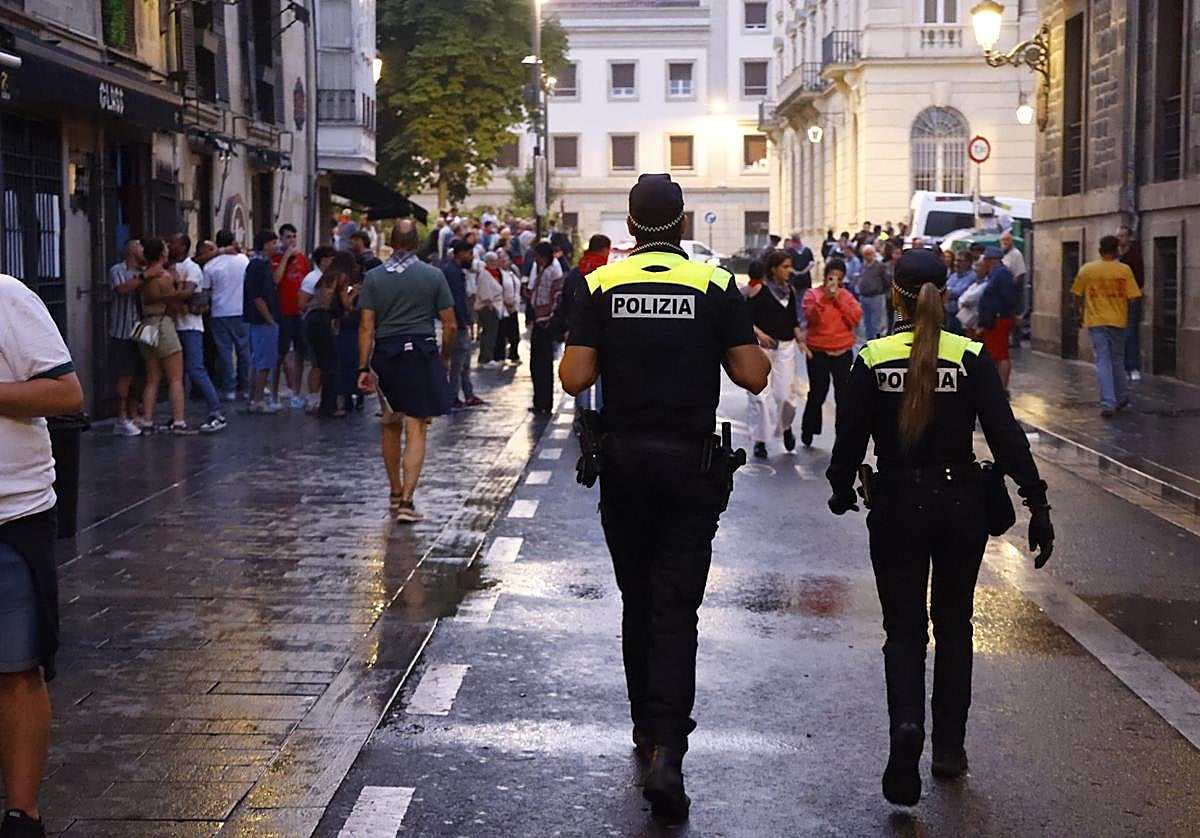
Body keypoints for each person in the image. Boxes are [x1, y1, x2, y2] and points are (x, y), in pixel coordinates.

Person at [558, 173, 770, 824]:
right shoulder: (714, 284)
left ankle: (645, 730)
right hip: (689, 468)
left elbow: (574, 377)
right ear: (682, 225)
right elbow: (754, 376)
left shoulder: (599, 284)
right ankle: (670, 750)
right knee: (677, 608)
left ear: (629, 225)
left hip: (624, 464)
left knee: (637, 600)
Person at [826, 248, 1054, 809]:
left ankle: (906, 726)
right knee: (954, 625)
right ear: (945, 295)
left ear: (895, 295)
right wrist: (1037, 503)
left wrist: (840, 487)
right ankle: (949, 748)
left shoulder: (872, 357)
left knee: (904, 630)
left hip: (897, 503)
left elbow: (850, 438)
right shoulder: (970, 355)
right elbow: (1005, 436)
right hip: (961, 503)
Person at [0, 274, 85, 838]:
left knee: (15, 668)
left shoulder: (6, 297)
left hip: (10, 516)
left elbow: (65, 394)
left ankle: (22, 816)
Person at [357, 220, 457, 523]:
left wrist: (363, 366)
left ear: (390, 241)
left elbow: (366, 326)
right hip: (421, 354)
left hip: (387, 355)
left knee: (390, 425)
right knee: (417, 427)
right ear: (416, 242)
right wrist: (445, 356)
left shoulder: (374, 278)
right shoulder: (433, 275)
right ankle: (407, 502)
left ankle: (394, 491)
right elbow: (450, 324)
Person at [1072, 235, 1142, 417]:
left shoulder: (1088, 270)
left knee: (1103, 361)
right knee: (1117, 359)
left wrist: (1078, 313)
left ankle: (1108, 402)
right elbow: (1133, 296)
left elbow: (1077, 294)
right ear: (1117, 250)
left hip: (1096, 321)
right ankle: (1121, 395)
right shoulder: (1124, 270)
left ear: (1100, 250)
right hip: (1118, 320)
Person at [746, 250, 806, 458]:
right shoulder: (759, 290)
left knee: (785, 395)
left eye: (790, 266)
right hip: (762, 348)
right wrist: (760, 334)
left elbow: (793, 320)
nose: (790, 270)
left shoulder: (790, 291)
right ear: (773, 269)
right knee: (760, 395)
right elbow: (745, 318)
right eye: (785, 267)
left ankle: (785, 427)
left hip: (785, 347)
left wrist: (801, 341)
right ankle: (760, 440)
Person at [800, 256, 861, 447]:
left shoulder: (847, 297)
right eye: (832, 277)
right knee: (818, 392)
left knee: (843, 395)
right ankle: (808, 429)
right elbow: (811, 319)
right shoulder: (812, 295)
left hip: (842, 351)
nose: (835, 282)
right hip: (818, 351)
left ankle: (842, 434)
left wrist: (839, 301)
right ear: (825, 276)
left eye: (839, 279)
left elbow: (855, 319)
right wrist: (824, 299)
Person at [136, 238, 195, 434]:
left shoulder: (144, 276)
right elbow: (176, 304)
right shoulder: (165, 276)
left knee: (152, 377)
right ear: (162, 254)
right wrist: (180, 286)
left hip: (145, 325)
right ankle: (178, 421)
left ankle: (147, 421)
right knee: (175, 377)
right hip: (162, 324)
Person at [169, 234, 226, 433]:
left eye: (174, 243)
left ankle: (216, 412)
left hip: (190, 326)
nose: (170, 246)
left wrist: (166, 294)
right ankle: (178, 415)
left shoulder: (191, 268)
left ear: (183, 246)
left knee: (195, 369)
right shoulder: (172, 267)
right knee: (178, 374)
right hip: (176, 325)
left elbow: (188, 292)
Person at [556, 235, 611, 412]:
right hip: (603, 332)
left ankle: (582, 413)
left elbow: (565, 299)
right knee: (603, 374)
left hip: (577, 331)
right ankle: (601, 410)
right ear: (605, 250)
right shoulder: (606, 273)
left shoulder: (576, 272)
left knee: (580, 373)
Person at [303, 251, 355, 417]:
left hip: (312, 319)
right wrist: (353, 294)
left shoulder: (326, 276)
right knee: (332, 364)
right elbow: (345, 304)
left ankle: (325, 404)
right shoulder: (341, 277)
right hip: (323, 320)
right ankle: (329, 406)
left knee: (322, 363)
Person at [204, 230, 251, 401]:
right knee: (244, 350)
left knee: (224, 352)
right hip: (241, 310)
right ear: (232, 241)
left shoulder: (210, 265)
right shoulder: (243, 260)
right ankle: (245, 386)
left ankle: (229, 388)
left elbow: (206, 290)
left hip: (220, 311)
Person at [270, 223, 312, 410]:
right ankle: (274, 394)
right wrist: (286, 258)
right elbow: (276, 280)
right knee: (280, 354)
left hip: (299, 312)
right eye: (288, 237)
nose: (292, 240)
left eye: (294, 236)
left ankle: (296, 392)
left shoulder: (302, 258)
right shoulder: (276, 258)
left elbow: (307, 283)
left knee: (300, 353)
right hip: (283, 312)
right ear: (281, 239)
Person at [107, 239, 146, 436]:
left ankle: (134, 411)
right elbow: (122, 289)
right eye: (140, 247)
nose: (143, 250)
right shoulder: (118, 270)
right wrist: (145, 277)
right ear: (131, 251)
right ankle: (121, 416)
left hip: (143, 329)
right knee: (125, 374)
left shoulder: (146, 270)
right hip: (123, 330)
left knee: (141, 374)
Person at [440, 240, 485, 408]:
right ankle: (453, 396)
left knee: (464, 361)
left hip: (458, 321)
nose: (471, 258)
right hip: (457, 322)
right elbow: (456, 300)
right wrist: (462, 321)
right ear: (461, 253)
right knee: (458, 361)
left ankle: (467, 393)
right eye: (470, 254)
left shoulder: (453, 270)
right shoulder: (453, 273)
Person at [243, 229, 283, 414]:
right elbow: (257, 296)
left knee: (259, 360)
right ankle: (258, 400)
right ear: (265, 245)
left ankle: (254, 398)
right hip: (263, 321)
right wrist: (270, 319)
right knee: (264, 362)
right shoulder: (257, 266)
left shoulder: (261, 264)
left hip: (261, 320)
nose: (276, 246)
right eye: (273, 243)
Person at [973, 246, 1018, 391]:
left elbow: (1008, 298)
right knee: (995, 353)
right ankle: (997, 386)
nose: (984, 262)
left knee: (1000, 354)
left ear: (991, 260)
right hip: (993, 320)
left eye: (985, 259)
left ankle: (1002, 387)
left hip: (999, 319)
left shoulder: (1002, 274)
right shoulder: (995, 274)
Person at [299, 245, 337, 411]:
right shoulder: (312, 278)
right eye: (331, 259)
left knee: (323, 362)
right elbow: (302, 303)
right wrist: (318, 303)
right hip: (314, 322)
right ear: (323, 260)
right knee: (317, 363)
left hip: (324, 322)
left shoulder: (329, 277)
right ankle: (312, 397)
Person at [528, 240, 564, 415]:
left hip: (544, 322)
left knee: (541, 364)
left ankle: (543, 401)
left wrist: (548, 319)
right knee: (538, 363)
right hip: (540, 320)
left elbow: (554, 297)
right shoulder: (545, 270)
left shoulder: (552, 272)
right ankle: (540, 400)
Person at [1117, 225, 1145, 380]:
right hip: (1114, 299)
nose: (1119, 239)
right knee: (1117, 334)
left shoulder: (1134, 255)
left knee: (1130, 332)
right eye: (1118, 236)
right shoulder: (1114, 254)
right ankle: (1121, 366)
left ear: (1128, 238)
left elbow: (1140, 278)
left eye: (1122, 236)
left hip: (1130, 298)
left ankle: (1133, 366)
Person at [475, 252, 505, 369]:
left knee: (489, 333)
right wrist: (490, 305)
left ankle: (485, 356)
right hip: (488, 307)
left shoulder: (492, 274)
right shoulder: (485, 275)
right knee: (489, 333)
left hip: (493, 306)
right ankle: (486, 358)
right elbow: (485, 292)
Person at [494, 250, 523, 366]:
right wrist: (506, 302)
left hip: (514, 307)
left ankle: (514, 354)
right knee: (501, 333)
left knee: (514, 333)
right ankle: (499, 356)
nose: (503, 259)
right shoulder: (497, 273)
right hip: (503, 308)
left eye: (505, 257)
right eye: (500, 257)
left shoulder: (513, 271)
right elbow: (496, 289)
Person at [1000, 231, 1027, 348]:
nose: (1005, 243)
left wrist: (1010, 287)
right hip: (1003, 291)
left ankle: (1015, 341)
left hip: (1013, 290)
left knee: (1014, 315)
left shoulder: (1016, 254)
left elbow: (1020, 274)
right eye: (1003, 240)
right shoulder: (1003, 255)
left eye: (1007, 240)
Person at [857, 244, 889, 340]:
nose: (867, 256)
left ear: (873, 254)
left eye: (869, 254)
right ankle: (869, 340)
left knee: (876, 323)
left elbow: (886, 281)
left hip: (876, 297)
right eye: (865, 254)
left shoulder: (880, 266)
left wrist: (881, 291)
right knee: (866, 322)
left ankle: (876, 341)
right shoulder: (863, 266)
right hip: (864, 297)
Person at [943, 250, 977, 335]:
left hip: (961, 318)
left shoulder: (972, 277)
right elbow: (945, 289)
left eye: (960, 261)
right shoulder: (953, 276)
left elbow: (957, 293)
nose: (956, 263)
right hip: (948, 314)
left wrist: (948, 291)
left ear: (969, 263)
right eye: (955, 260)